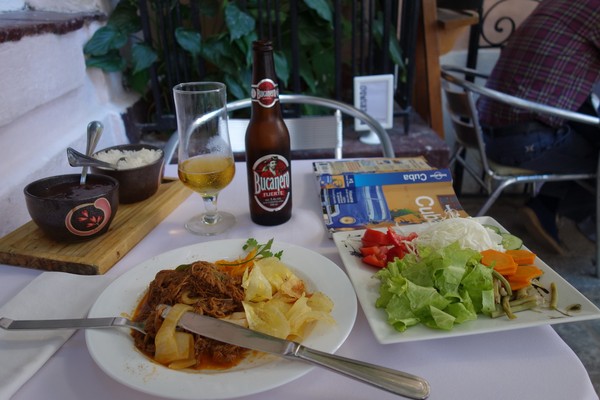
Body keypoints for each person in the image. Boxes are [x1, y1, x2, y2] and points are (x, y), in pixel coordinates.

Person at [477, 0, 600, 254]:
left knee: (590, 134)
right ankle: (549, 207)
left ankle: (544, 207)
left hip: (492, 131)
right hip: (523, 141)